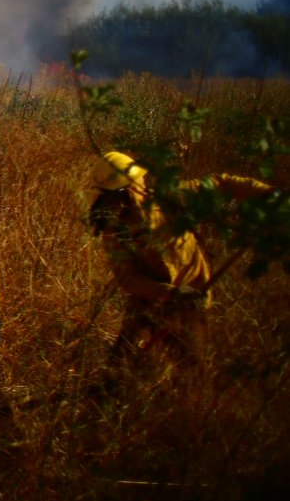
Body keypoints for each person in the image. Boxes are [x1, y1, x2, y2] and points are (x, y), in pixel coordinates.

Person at [89, 151, 273, 367]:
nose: (144, 181)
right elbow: (127, 278)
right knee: (120, 363)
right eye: (139, 179)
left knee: (191, 366)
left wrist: (267, 194)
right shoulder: (114, 229)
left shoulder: (169, 199)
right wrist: (169, 292)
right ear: (128, 189)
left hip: (191, 299)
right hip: (149, 300)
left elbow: (220, 184)